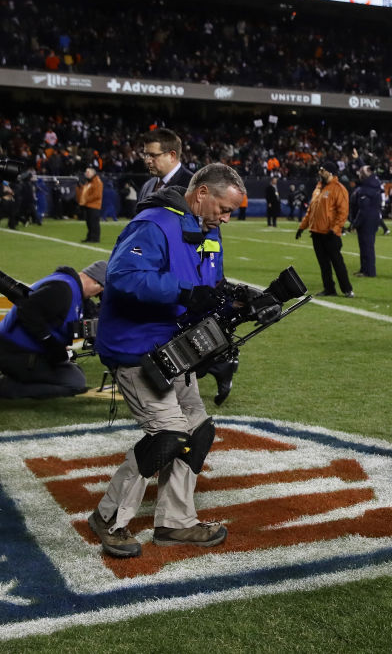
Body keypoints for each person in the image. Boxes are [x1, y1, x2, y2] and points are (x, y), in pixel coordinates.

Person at [88, 163, 246, 558]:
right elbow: (123, 277)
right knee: (168, 436)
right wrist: (186, 293)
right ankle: (108, 517)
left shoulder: (207, 230)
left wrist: (239, 301)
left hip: (176, 349)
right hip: (136, 346)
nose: (226, 218)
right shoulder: (154, 224)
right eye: (224, 208)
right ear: (202, 194)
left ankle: (175, 523)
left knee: (197, 432)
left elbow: (210, 287)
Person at [0, 261, 105, 399]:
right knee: (73, 383)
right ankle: (7, 388)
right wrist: (51, 344)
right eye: (99, 293)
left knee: (73, 374)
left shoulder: (70, 286)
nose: (96, 296)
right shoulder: (62, 290)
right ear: (96, 283)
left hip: (21, 348)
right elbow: (27, 312)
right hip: (14, 350)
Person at [296, 160, 354, 297]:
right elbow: (311, 210)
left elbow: (343, 212)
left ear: (329, 172)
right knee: (324, 265)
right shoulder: (318, 188)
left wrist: (335, 229)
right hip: (316, 232)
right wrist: (302, 227)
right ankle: (329, 289)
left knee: (338, 263)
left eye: (322, 170)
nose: (319, 172)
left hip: (330, 233)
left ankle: (347, 289)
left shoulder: (338, 188)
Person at [138, 128, 192, 203]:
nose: (147, 161)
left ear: (172, 156)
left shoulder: (192, 186)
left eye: (153, 155)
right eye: (146, 155)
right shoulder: (147, 186)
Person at [350, 151, 382, 278]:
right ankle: (364, 269)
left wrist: (354, 223)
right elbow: (366, 170)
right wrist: (358, 159)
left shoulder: (366, 190)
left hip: (367, 219)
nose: (359, 175)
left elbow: (363, 211)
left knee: (367, 246)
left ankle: (369, 272)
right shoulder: (372, 181)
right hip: (372, 218)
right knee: (364, 245)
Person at [78, 167, 103, 243]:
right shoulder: (89, 182)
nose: (86, 174)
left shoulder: (97, 182)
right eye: (86, 172)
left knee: (94, 222)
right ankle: (89, 237)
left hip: (94, 205)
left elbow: (97, 195)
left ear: (93, 173)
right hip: (88, 205)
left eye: (88, 172)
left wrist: (86, 199)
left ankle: (95, 238)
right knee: (89, 222)